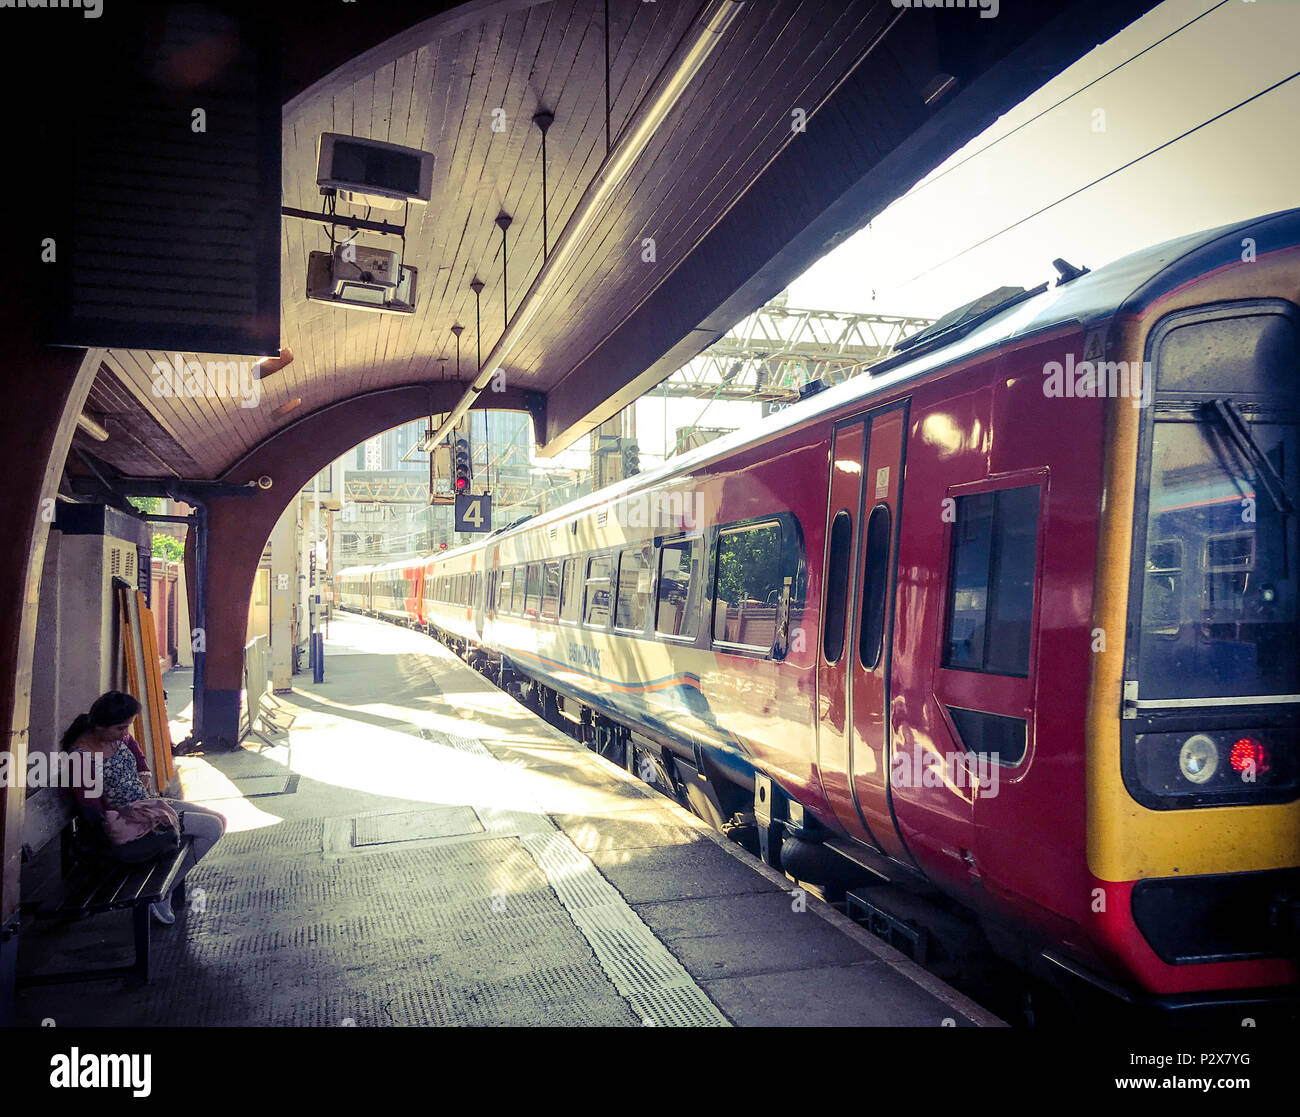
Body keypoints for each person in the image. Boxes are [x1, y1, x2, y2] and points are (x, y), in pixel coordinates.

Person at [60, 691, 226, 925]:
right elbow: (92, 813)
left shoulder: (116, 738)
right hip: (131, 821)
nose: (126, 733)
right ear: (99, 726)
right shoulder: (81, 759)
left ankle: (168, 887)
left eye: (127, 726)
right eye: (121, 727)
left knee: (219, 820)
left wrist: (143, 777)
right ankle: (162, 894)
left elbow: (139, 760)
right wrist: (132, 817)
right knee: (211, 827)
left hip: (146, 806)